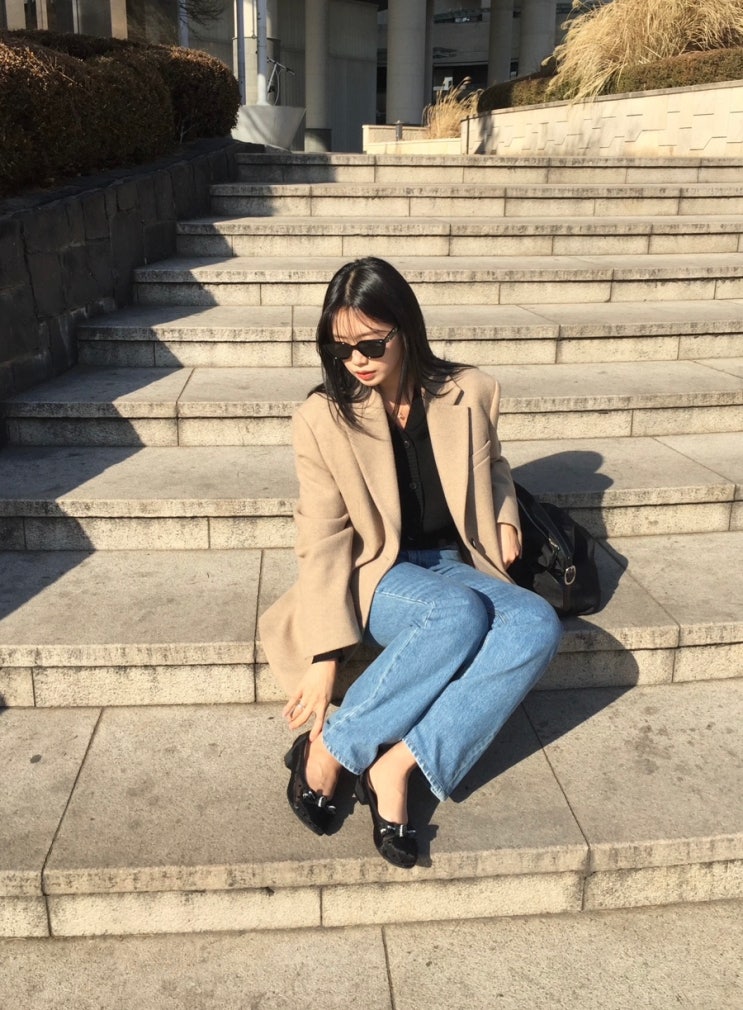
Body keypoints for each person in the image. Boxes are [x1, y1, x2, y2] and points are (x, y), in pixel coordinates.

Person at [259, 257, 562, 869]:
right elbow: (322, 538)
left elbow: (494, 465)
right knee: (456, 614)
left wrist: (505, 513)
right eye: (341, 348)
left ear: (406, 328)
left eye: (372, 344)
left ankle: (398, 764)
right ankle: (332, 748)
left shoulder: (470, 392)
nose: (357, 360)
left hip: (452, 560)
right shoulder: (322, 418)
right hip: (377, 569)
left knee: (535, 622)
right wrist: (324, 655)